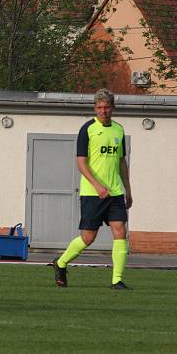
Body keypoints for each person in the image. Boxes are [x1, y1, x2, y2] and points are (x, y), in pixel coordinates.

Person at [53, 88, 133, 289]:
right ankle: (61, 263)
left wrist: (128, 190)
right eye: (99, 107)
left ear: (112, 108)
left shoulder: (119, 130)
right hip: (92, 193)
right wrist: (97, 186)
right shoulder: (87, 129)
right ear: (95, 108)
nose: (103, 111)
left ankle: (117, 280)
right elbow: (81, 162)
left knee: (120, 231)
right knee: (88, 237)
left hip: (115, 192)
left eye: (107, 107)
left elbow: (122, 161)